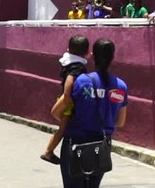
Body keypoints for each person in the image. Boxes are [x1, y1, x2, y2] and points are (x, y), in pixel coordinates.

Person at [52, 38, 129, 188]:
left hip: (75, 144)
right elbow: (120, 122)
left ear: (92, 56)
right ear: (112, 58)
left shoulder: (81, 81)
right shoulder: (120, 87)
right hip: (101, 147)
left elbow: (55, 111)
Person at [40, 35, 90, 164]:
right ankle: (48, 152)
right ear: (86, 52)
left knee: (63, 127)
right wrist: (68, 98)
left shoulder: (67, 61)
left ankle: (49, 151)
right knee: (62, 129)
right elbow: (70, 80)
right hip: (67, 99)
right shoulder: (78, 66)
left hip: (63, 97)